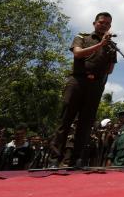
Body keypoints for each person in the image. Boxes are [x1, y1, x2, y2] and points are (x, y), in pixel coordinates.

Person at [50, 12, 117, 167]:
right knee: (65, 119)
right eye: (101, 22)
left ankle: (76, 159)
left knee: (86, 123)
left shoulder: (112, 46)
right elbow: (78, 53)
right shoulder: (82, 37)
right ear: (94, 23)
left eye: (107, 23)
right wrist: (100, 45)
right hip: (77, 81)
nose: (104, 25)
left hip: (95, 85)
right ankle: (54, 158)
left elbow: (110, 69)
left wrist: (107, 49)